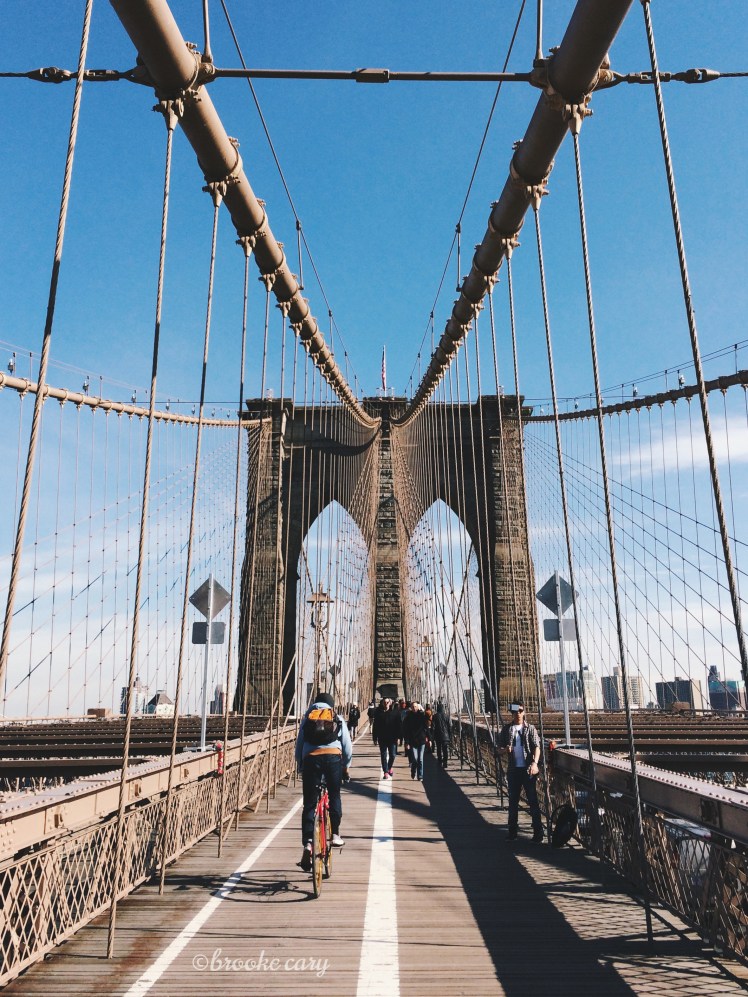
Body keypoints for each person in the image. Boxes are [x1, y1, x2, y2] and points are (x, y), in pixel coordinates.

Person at [296, 691, 352, 871]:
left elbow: (299, 745)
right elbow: (347, 745)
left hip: (311, 759)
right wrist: (346, 766)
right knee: (334, 794)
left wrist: (301, 765)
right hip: (333, 759)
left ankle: (308, 843)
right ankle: (335, 834)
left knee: (310, 804)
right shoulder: (337, 717)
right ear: (331, 705)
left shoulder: (307, 718)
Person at [497, 702, 543, 843]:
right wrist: (505, 750)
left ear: (524, 712)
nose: (518, 714)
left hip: (528, 770)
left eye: (520, 711)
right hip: (513, 771)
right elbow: (498, 749)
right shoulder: (506, 729)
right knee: (513, 802)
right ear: (512, 713)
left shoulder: (531, 729)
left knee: (533, 802)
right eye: (515, 711)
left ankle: (538, 834)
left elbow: (537, 747)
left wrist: (535, 763)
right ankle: (512, 833)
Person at [372, 698, 400, 778]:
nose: (386, 703)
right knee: (383, 755)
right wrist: (374, 738)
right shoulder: (378, 713)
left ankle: (389, 767)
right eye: (384, 702)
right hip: (382, 738)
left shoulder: (395, 712)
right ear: (382, 703)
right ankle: (386, 772)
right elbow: (375, 726)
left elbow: (399, 726)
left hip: (392, 738)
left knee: (393, 755)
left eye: (388, 702)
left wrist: (398, 737)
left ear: (390, 703)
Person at [402, 701, 429, 780]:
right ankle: (413, 770)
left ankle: (420, 775)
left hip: (421, 740)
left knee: (420, 759)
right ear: (411, 708)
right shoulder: (408, 718)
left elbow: (426, 728)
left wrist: (429, 739)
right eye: (413, 707)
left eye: (415, 706)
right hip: (412, 741)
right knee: (415, 760)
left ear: (418, 707)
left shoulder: (422, 716)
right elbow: (405, 731)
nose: (414, 708)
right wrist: (406, 742)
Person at [431, 701, 451, 769]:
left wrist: (432, 736)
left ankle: (439, 760)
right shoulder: (447, 716)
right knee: (445, 749)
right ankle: (445, 762)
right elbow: (449, 727)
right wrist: (449, 735)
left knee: (439, 749)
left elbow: (433, 727)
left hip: (438, 735)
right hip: (445, 736)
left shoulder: (434, 716)